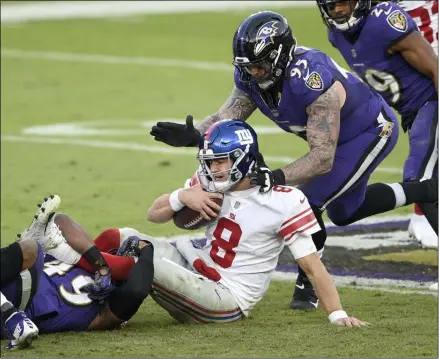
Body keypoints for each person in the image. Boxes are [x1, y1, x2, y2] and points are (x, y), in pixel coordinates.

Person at [149, 11, 438, 309]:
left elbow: (322, 158)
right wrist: (194, 135)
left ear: (280, 56)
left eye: (259, 66)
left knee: (310, 202)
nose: (253, 73)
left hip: (369, 132)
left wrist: (276, 177)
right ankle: (426, 190)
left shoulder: (309, 78)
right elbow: (226, 118)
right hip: (332, 140)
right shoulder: (252, 77)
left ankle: (308, 289)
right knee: (344, 212)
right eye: (247, 67)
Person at [145, 119, 370, 326]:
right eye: (210, 162)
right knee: (125, 239)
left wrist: (337, 314)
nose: (214, 170)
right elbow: (153, 215)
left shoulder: (283, 200)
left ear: (244, 158)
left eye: (221, 161)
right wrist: (182, 196)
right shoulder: (209, 182)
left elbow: (312, 266)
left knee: (141, 261)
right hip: (200, 269)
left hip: (227, 295)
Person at [316, 0, 438, 245]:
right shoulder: (336, 35)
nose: (338, 11)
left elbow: (435, 68)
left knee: (421, 185)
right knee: (344, 209)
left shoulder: (384, 21)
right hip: (410, 115)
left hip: (430, 104)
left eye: (343, 3)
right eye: (331, 6)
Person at [1, 196, 154, 350]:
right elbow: (61, 221)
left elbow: (136, 291)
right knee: (36, 247)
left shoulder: (105, 311)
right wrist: (101, 267)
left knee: (31, 248)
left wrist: (147, 249)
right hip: (13, 283)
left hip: (22, 301)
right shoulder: (87, 266)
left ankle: (9, 313)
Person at [396, 0, 438, 248]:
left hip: (424, 60)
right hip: (422, 65)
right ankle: (422, 217)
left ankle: (420, 216)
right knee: (427, 150)